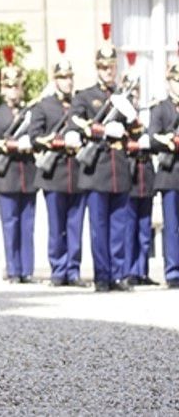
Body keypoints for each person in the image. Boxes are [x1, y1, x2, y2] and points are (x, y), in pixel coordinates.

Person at [67, 24, 141, 292]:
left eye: (111, 67)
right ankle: (102, 275)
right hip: (96, 170)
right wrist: (101, 129)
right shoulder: (86, 97)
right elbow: (75, 125)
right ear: (97, 68)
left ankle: (120, 275)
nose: (108, 72)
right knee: (99, 228)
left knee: (119, 226)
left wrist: (131, 117)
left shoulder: (123, 98)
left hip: (119, 170)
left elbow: (138, 131)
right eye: (103, 67)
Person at [29, 39, 87, 287]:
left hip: (78, 172)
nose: (68, 82)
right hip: (54, 174)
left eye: (70, 77)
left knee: (75, 226)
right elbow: (34, 138)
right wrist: (53, 140)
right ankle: (58, 269)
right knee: (57, 227)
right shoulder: (44, 106)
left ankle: (73, 270)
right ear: (56, 80)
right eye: (63, 77)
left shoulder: (80, 103)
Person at [0, 46, 38, 284]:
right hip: (7, 175)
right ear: (2, 88)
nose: (13, 91)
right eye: (8, 86)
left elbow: (38, 136)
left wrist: (30, 144)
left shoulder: (30, 112)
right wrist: (10, 145)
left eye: (16, 86)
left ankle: (27, 269)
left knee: (27, 224)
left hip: (27, 173)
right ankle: (13, 269)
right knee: (10, 224)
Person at [149, 54, 179, 289]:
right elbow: (152, 136)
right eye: (176, 81)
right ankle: (173, 271)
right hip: (170, 174)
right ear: (169, 82)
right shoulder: (161, 108)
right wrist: (167, 140)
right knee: (172, 225)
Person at [123, 83, 157, 286]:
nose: (133, 100)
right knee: (129, 228)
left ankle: (141, 270)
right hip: (131, 175)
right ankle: (129, 270)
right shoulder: (122, 118)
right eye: (130, 96)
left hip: (146, 175)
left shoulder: (146, 115)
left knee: (145, 229)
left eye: (135, 96)